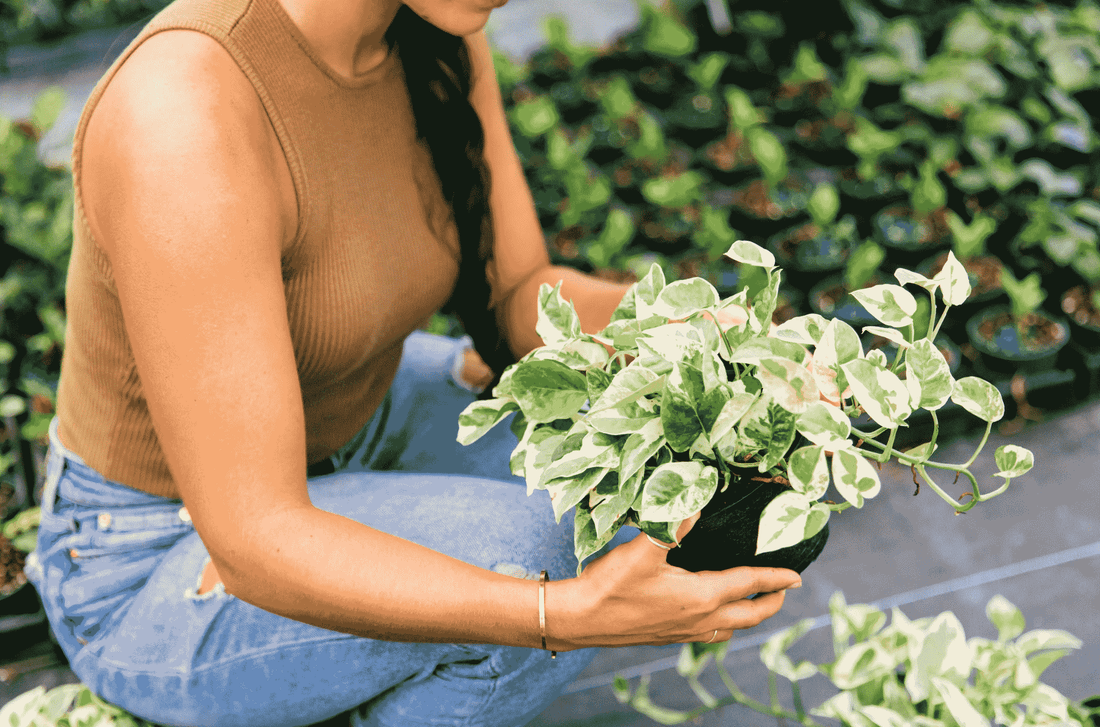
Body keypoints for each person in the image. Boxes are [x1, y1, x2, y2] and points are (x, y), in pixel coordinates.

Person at [25, 0, 804, 724]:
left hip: (358, 410)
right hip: (158, 551)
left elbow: (518, 293)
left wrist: (724, 341)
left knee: (674, 467)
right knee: (543, 567)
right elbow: (256, 536)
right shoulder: (183, 112)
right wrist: (558, 617)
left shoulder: (432, 28)